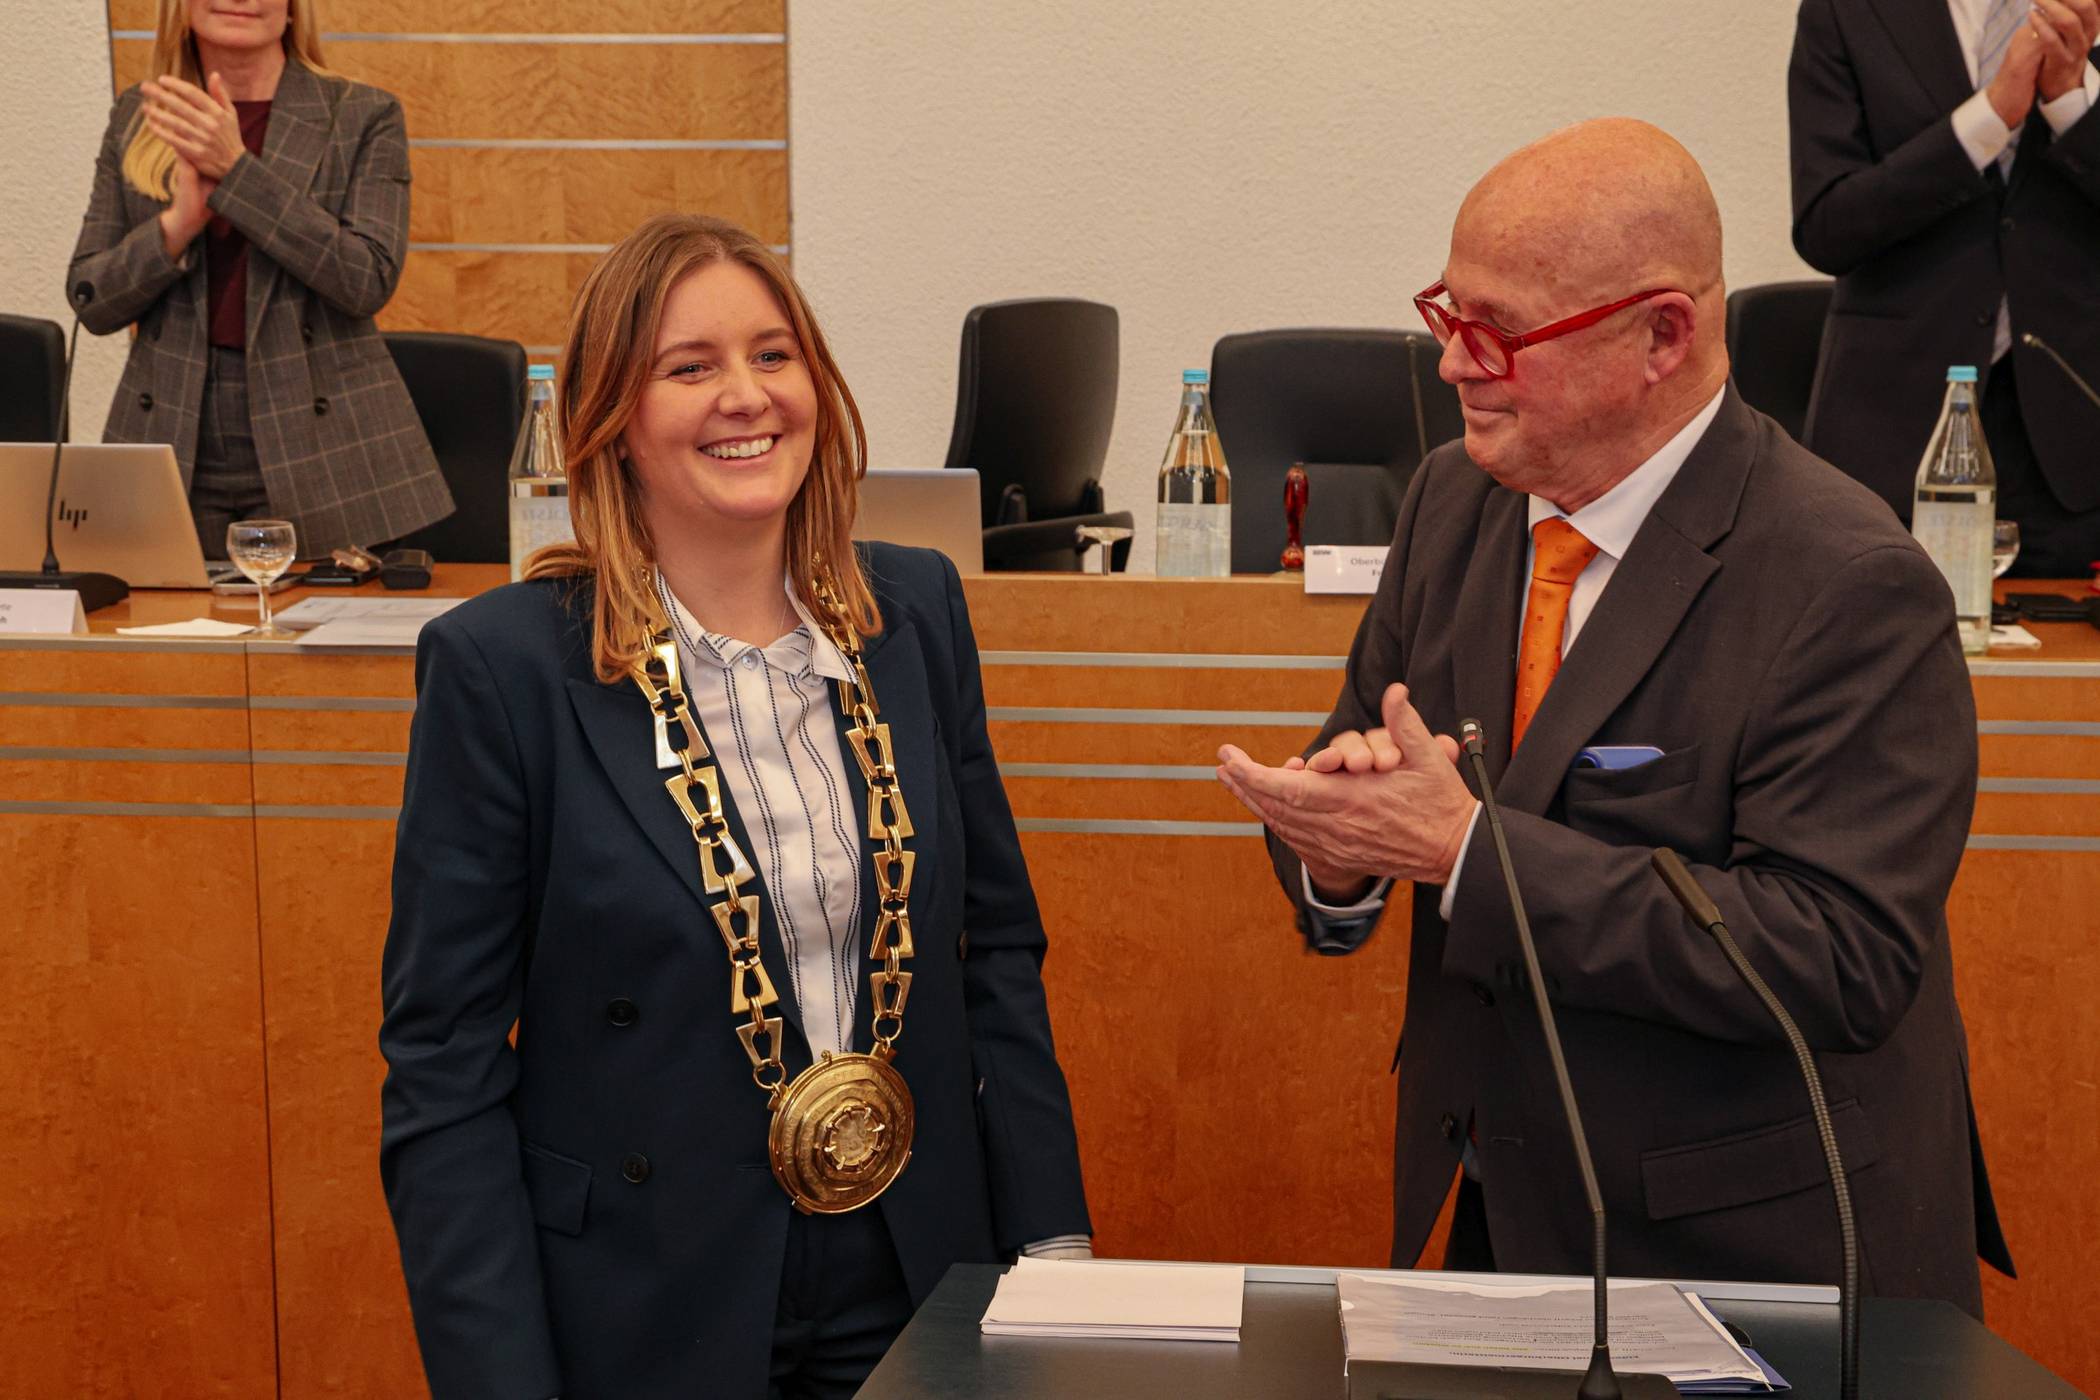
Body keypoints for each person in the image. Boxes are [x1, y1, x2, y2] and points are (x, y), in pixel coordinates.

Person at [1217, 119, 2011, 1315]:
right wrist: (1338, 855)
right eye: (1446, 312)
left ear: (1663, 336)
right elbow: (1373, 773)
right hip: (1503, 1213)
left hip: (1754, 1259)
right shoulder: (1450, 501)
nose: (1451, 364)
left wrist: (1464, 850)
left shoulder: (1850, 581)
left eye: (1497, 332)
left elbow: (1835, 954)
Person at [378, 213, 1090, 1400]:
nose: (745, 396)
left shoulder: (914, 613)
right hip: (646, 1296)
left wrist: (1055, 1244)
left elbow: (997, 954)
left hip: (916, 1266)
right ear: (610, 417)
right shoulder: (499, 669)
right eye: (689, 366)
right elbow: (441, 1069)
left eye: (773, 355)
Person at [67, 0, 451, 559]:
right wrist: (177, 226)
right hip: (174, 422)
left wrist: (238, 173)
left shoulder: (361, 113)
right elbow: (91, 300)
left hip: (321, 431)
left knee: (313, 635)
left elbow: (366, 278)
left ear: (293, 8)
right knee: (168, 635)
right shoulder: (140, 116)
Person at [1790, 0, 2100, 574]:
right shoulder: (1844, 12)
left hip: (2073, 445)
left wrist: (2072, 106)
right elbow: (1826, 228)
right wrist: (1987, 119)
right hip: (1894, 440)